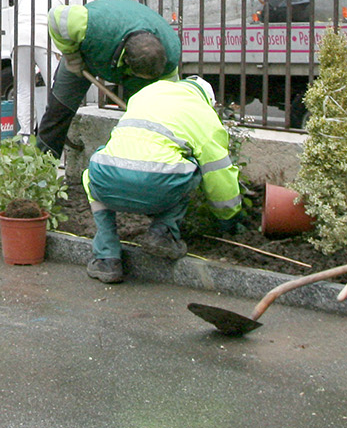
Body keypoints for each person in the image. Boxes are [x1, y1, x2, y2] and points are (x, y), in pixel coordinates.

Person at [82, 74, 244, 284]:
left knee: (92, 173)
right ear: (208, 100)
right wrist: (229, 220)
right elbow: (218, 176)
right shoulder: (203, 113)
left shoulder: (147, 93)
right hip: (158, 186)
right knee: (194, 168)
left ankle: (106, 257)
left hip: (107, 179)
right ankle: (163, 232)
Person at [34, 0, 182, 156]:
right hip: (85, 54)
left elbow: (168, 98)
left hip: (127, 59)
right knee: (58, 112)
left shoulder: (170, 54)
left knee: (144, 119)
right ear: (127, 62)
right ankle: (42, 168)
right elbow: (57, 17)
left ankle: (138, 163)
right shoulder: (95, 27)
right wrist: (72, 55)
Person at [9, 0, 75, 136]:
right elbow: (71, 20)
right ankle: (55, 133)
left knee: (23, 88)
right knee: (56, 88)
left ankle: (26, 135)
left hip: (19, 39)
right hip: (44, 40)